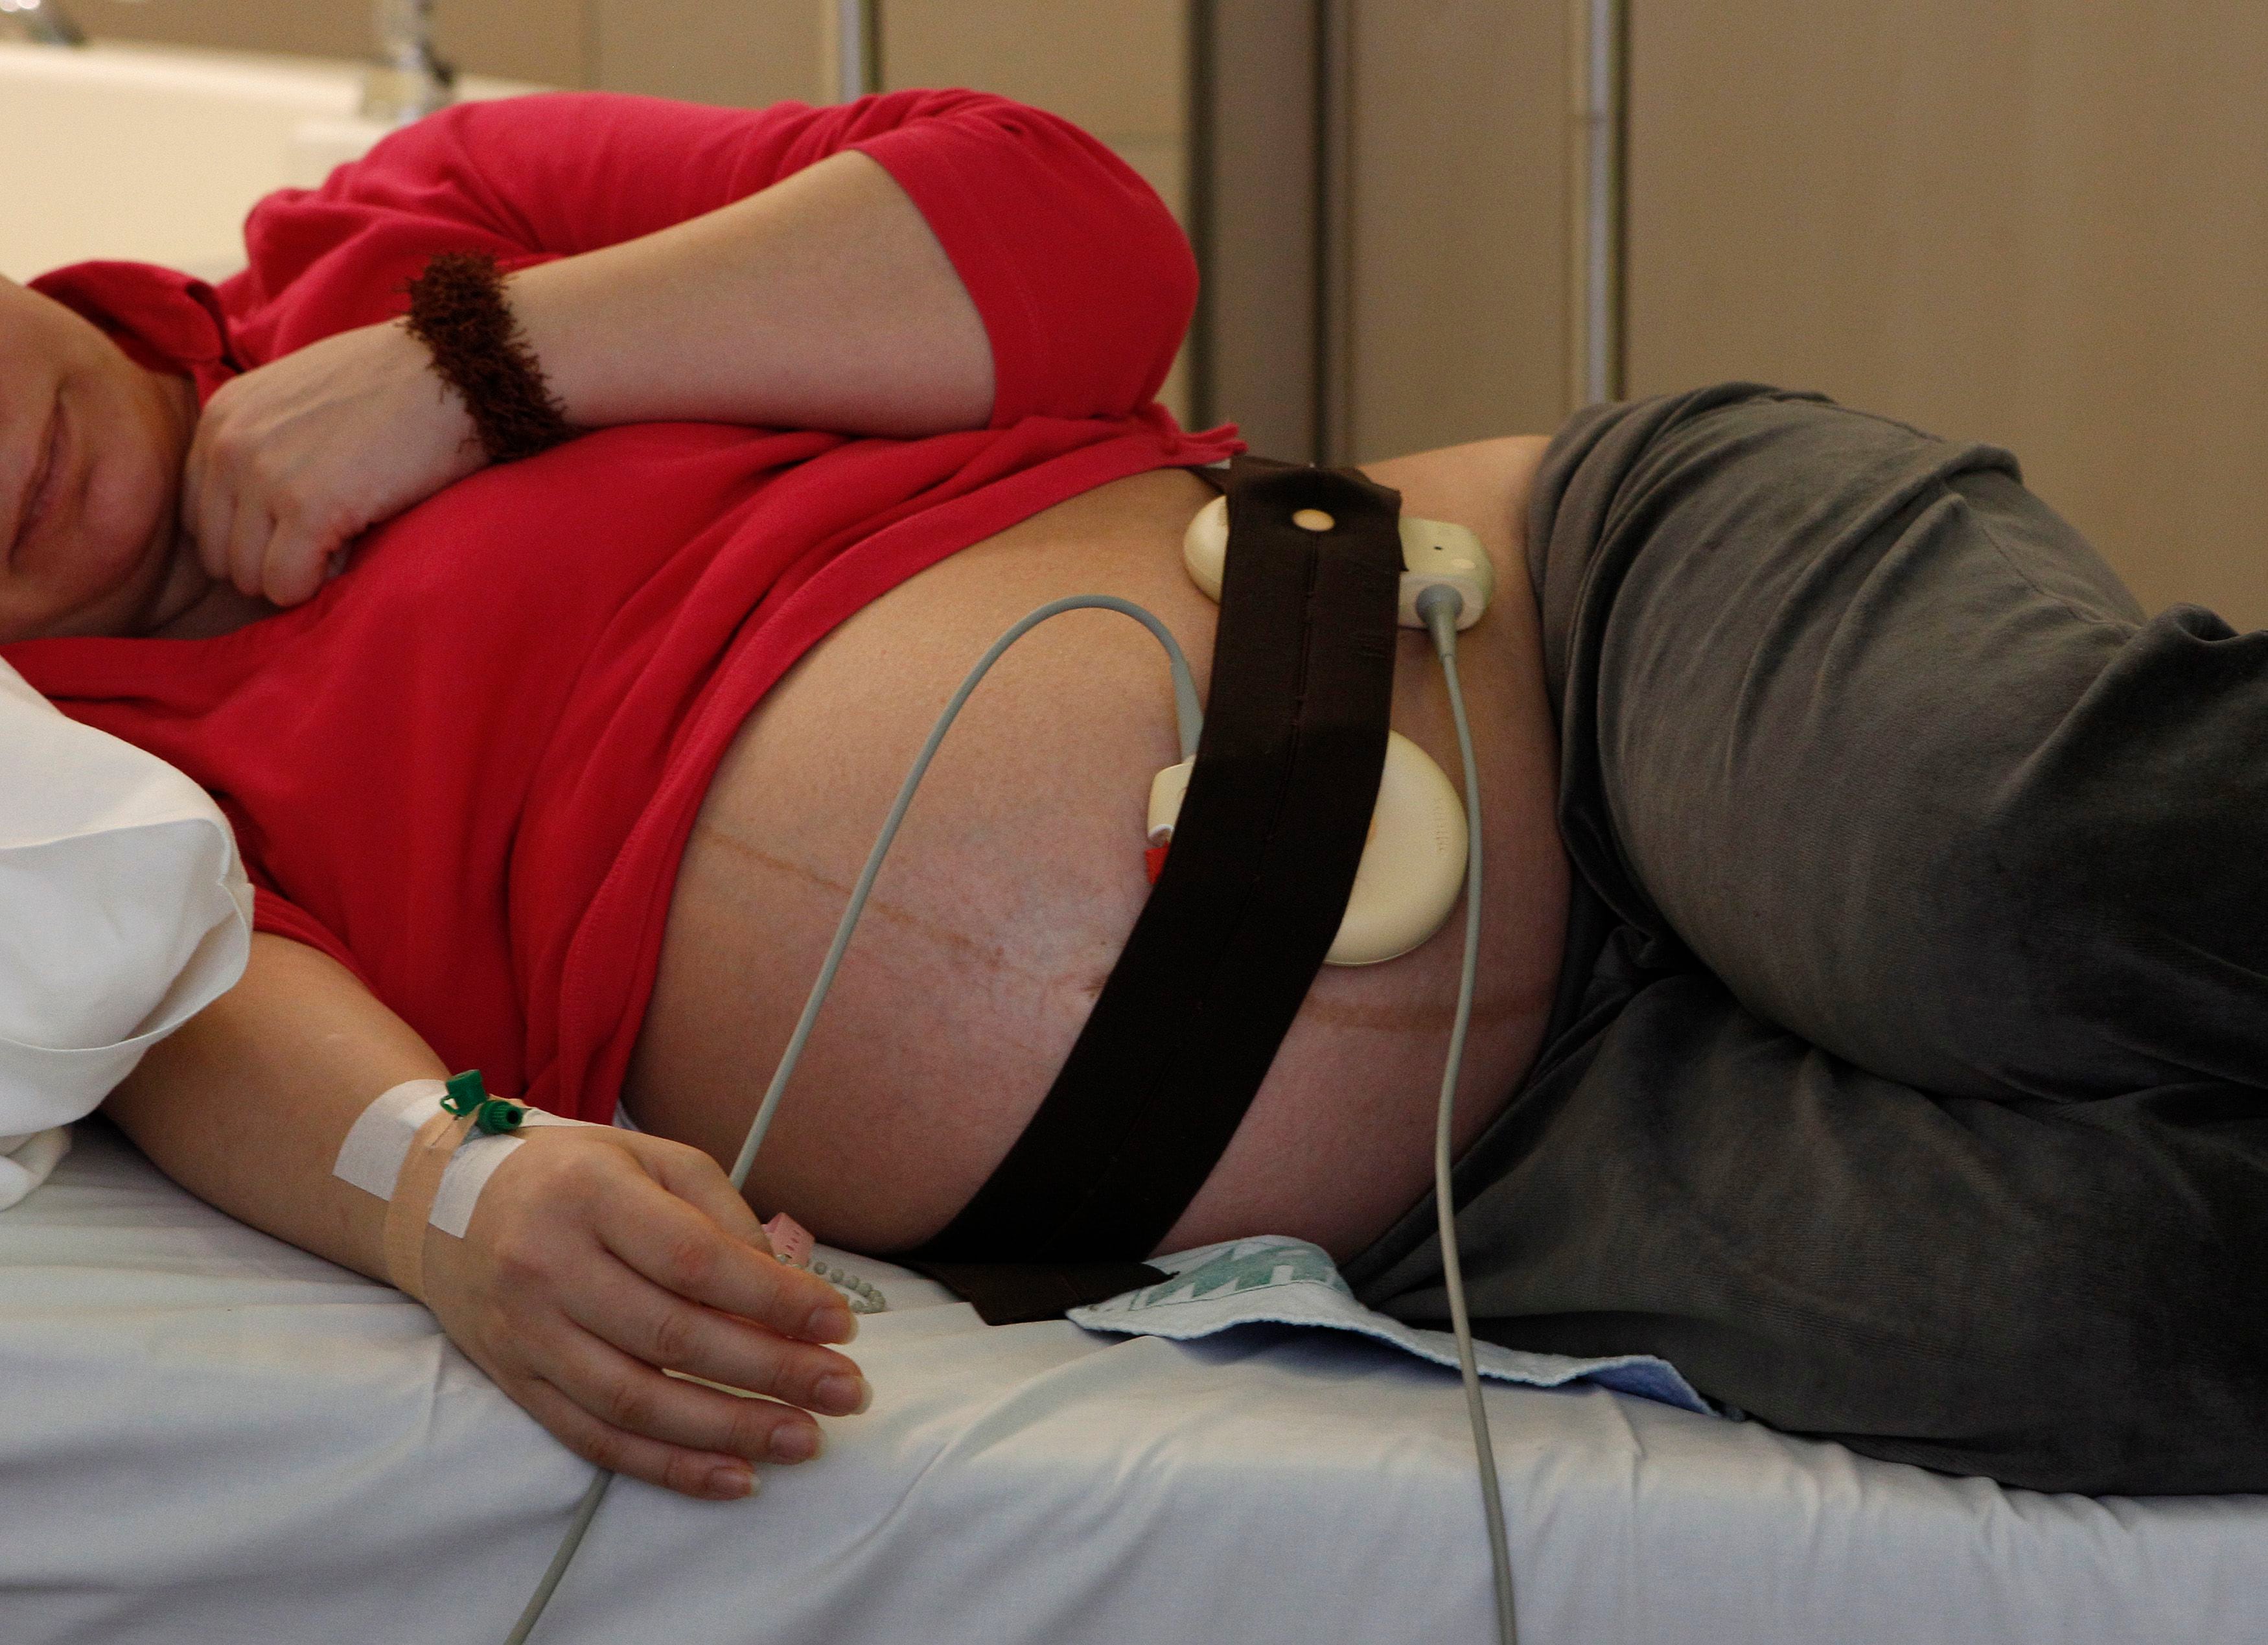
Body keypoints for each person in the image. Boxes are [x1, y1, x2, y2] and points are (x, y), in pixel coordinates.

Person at [5, 88, 2260, 1506]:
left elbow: (1059, 231)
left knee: (2026, 882)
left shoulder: (412, 227)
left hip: (1588, 649)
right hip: (1503, 1179)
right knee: (2141, 1316)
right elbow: (195, 1007)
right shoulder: (68, 796)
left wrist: (468, 367)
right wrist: (450, 1205)